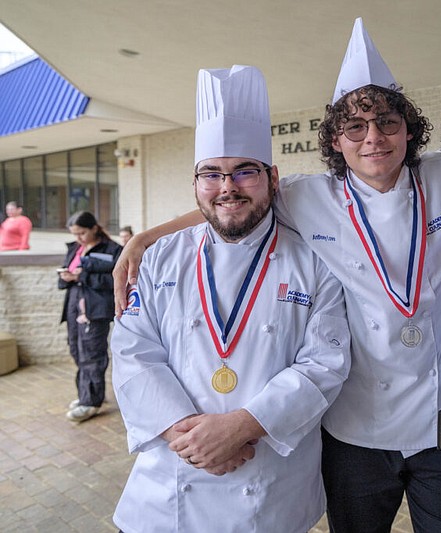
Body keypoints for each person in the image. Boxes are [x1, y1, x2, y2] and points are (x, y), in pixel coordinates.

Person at [111, 19, 441, 532]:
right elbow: (233, 199)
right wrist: (147, 236)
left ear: (409, 132)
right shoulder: (306, 196)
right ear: (335, 140)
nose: (372, 137)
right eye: (355, 127)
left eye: (387, 123)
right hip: (354, 428)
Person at [109, 65, 350, 533]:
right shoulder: (161, 257)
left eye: (244, 171)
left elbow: (325, 362)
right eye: (211, 174)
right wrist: (185, 432)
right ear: (196, 183)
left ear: (272, 177)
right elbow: (132, 349)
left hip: (268, 485)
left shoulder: (315, 260)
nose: (227, 187)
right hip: (172, 483)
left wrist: (243, 427)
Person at [58, 211, 122, 422]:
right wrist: (67, 276)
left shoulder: (113, 250)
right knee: (77, 350)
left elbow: (116, 281)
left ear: (94, 227)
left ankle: (90, 402)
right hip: (74, 304)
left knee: (92, 354)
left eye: (82, 233)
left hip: (95, 309)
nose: (79, 238)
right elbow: (69, 272)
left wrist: (83, 276)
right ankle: (87, 395)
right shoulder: (76, 248)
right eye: (75, 234)